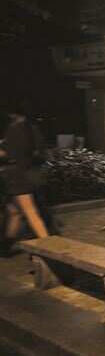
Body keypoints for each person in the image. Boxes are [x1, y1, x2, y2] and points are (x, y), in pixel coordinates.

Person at [0, 101, 49, 256]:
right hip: (30, 173)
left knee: (30, 212)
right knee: (14, 211)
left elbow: (8, 153)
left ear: (11, 114)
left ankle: (49, 250)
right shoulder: (32, 128)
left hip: (18, 177)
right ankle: (6, 247)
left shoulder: (14, 129)